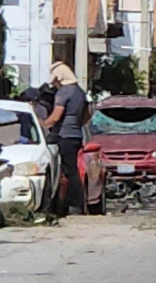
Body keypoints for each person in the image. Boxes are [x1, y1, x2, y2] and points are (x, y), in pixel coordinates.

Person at [42, 62, 90, 215]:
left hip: (64, 135)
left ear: (60, 79)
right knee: (72, 170)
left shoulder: (63, 93)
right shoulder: (80, 93)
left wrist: (41, 125)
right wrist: (75, 124)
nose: (54, 84)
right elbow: (87, 116)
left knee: (68, 171)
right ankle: (74, 204)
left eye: (55, 81)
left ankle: (74, 205)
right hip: (76, 135)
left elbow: (55, 117)